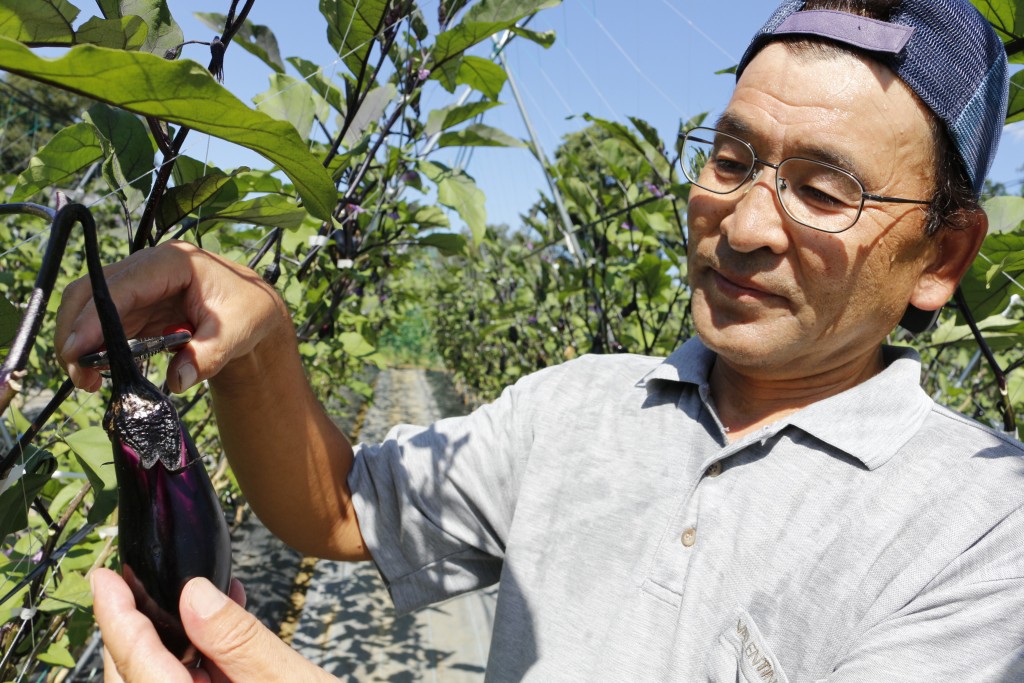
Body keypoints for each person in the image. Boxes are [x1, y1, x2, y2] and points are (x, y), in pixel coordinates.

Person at [57, 0, 1024, 680]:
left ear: (942, 255)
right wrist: (260, 337)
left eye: (823, 189)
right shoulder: (582, 405)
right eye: (731, 159)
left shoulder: (985, 529)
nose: (744, 225)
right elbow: (341, 514)